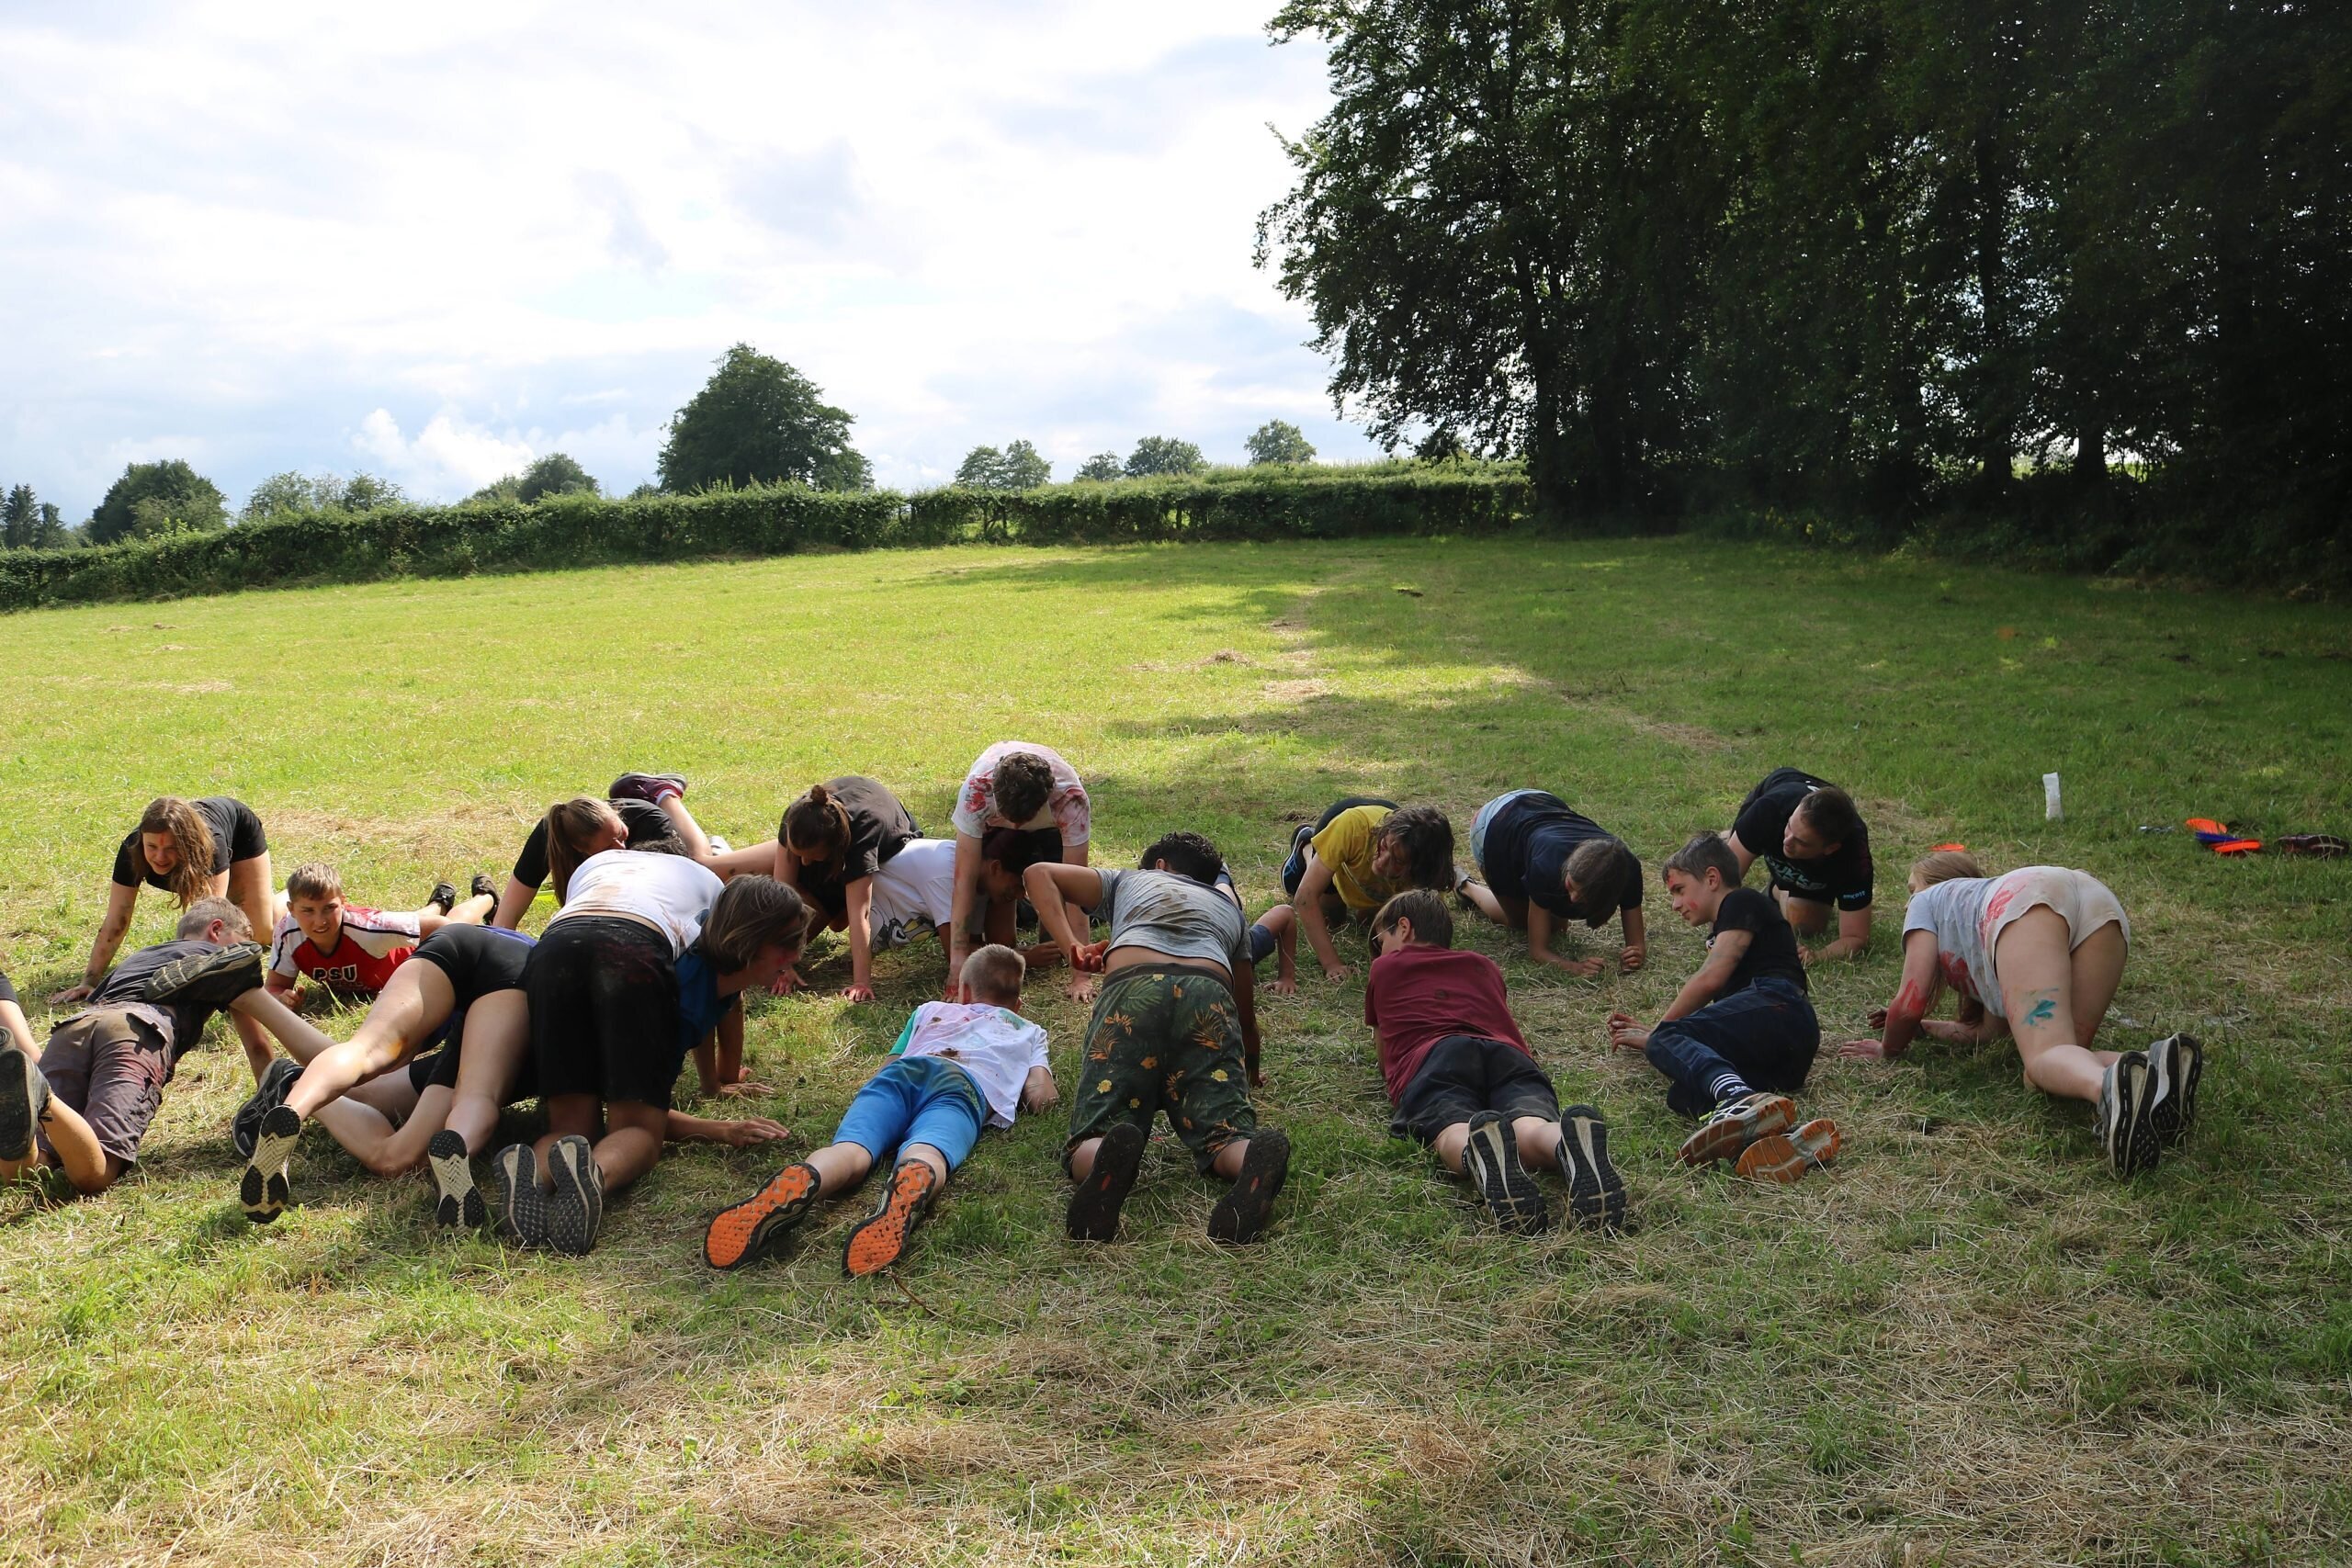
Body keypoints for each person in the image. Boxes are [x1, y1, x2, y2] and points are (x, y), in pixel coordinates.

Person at [494, 829, 808, 1255]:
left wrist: (716, 1082)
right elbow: (640, 1108)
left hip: (556, 947)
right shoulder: (680, 985)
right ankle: (592, 1179)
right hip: (630, 954)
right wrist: (721, 1129)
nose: (796, 957)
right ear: (751, 941)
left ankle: (532, 1178)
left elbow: (724, 1004)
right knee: (639, 1130)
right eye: (788, 945)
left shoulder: (706, 933)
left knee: (571, 1128)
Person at [1836, 852, 2198, 1177]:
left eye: (1911, 889)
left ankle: (2112, 1094)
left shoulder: (1927, 902)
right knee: (2057, 1064)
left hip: (2028, 900)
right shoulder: (1979, 923)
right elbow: (1988, 1033)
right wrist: (1925, 1029)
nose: (1907, 903)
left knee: (2045, 1057)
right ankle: (2156, 1070)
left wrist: (1888, 1048)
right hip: (2099, 903)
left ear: (1936, 884)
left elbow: (1909, 1000)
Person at [704, 943, 1056, 1275]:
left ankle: (811, 1175)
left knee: (851, 1150)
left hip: (900, 1076)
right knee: (928, 1151)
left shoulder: (929, 1010)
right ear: (1018, 1005)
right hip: (960, 1087)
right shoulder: (1028, 1031)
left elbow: (890, 1063)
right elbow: (1040, 1095)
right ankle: (912, 1178)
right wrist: (1042, 1092)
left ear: (963, 992)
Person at [1025, 830, 1291, 1246]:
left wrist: (1071, 946)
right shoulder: (1229, 910)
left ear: (1160, 865)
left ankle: (1102, 1156)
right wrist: (1251, 1072)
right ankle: (1246, 1159)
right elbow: (1244, 1015)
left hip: (1134, 988)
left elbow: (1038, 873)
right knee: (1225, 1132)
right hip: (1208, 994)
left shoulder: (1130, 879)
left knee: (1097, 1128)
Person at [1363, 889, 1626, 1233]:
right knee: (1528, 1124)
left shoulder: (1385, 968)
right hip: (1506, 1053)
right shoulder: (1483, 965)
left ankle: (1477, 1153)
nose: (1379, 950)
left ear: (1404, 927)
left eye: (1380, 940)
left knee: (1450, 1125)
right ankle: (1562, 1143)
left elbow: (1385, 1054)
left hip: (1435, 1055)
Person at [1605, 835, 1839, 1182]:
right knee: (1682, 1094)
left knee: (1669, 1037)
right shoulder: (1723, 926)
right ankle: (1781, 1139)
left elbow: (1711, 978)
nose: (1675, 904)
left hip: (1779, 1006)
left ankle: (1738, 1097)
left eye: (1679, 890)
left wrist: (1659, 1035)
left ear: (1712, 878)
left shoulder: (1741, 901)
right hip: (1782, 1057)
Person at [0, 898, 270, 1197]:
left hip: (75, 1027)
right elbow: (258, 1047)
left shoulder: (141, 956)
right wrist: (273, 1105)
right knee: (96, 1174)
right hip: (136, 1030)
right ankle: (43, 1097)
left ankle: (30, 1092)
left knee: (32, 1170)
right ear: (216, 929)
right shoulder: (226, 960)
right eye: (242, 941)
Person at [57, 795, 278, 1006]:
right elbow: (117, 920)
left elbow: (213, 920)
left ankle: (282, 902)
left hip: (240, 836)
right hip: (197, 852)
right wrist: (90, 981)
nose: (160, 857)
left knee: (260, 935)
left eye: (171, 848)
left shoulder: (210, 846)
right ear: (142, 839)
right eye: (152, 847)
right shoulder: (132, 849)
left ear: (187, 844)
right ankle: (265, 904)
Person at [492, 772, 728, 928]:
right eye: (607, 848)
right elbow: (507, 915)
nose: (621, 847)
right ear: (579, 849)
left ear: (616, 814)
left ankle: (665, 793)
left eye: (621, 834)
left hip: (674, 857)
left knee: (703, 861)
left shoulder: (647, 821)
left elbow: (682, 896)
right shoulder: (552, 834)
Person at [946, 742, 1090, 993]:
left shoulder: (1070, 801)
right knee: (1002, 937)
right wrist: (957, 965)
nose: (1015, 828)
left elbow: (1078, 892)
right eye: (1009, 820)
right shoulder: (977, 793)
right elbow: (964, 881)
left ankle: (1055, 937)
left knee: (1055, 937)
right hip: (994, 822)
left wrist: (1081, 976)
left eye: (1022, 821)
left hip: (1050, 827)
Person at [1459, 791, 1646, 976]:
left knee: (1556, 923)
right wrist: (1574, 968)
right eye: (1570, 886)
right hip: (1494, 824)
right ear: (1568, 868)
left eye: (1583, 894)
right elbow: (1537, 951)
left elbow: (1637, 945)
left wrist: (1634, 955)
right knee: (1524, 923)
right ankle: (1466, 886)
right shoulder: (1547, 866)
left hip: (1537, 805)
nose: (1573, 898)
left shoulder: (1627, 869)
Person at [769, 777, 922, 999]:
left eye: (811, 857)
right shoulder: (796, 818)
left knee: (837, 919)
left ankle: (837, 909)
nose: (804, 863)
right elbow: (780, 897)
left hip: (889, 846)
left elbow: (861, 914)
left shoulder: (862, 835)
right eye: (798, 854)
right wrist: (782, 964)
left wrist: (861, 982)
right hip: (830, 847)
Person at [1282, 797, 1458, 983]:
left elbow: (1427, 936)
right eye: (1384, 847)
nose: (1382, 863)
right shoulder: (1352, 827)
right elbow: (1305, 898)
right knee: (1333, 920)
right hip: (1343, 832)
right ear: (1384, 834)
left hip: (1383, 863)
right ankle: (1307, 846)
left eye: (1398, 861)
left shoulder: (1426, 875)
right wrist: (1332, 964)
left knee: (1369, 923)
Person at [266, 862, 498, 998]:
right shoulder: (287, 931)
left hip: (415, 954)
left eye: (329, 908)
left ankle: (485, 898)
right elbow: (275, 987)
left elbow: (443, 928)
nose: (319, 921)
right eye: (308, 911)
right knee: (414, 920)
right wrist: (282, 999)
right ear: (292, 909)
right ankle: (439, 903)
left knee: (452, 924)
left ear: (343, 902)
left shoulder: (369, 927)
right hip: (391, 938)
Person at [1722, 768, 1875, 961]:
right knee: (1725, 860)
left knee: (1807, 925)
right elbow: (1722, 885)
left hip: (1818, 861)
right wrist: (1719, 936)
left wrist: (1817, 956)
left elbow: (1856, 937)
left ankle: (1778, 888)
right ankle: (1729, 839)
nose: (1787, 841)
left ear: (1831, 848)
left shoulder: (1854, 856)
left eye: (1801, 841)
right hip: (1774, 803)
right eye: (1789, 827)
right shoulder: (1769, 810)